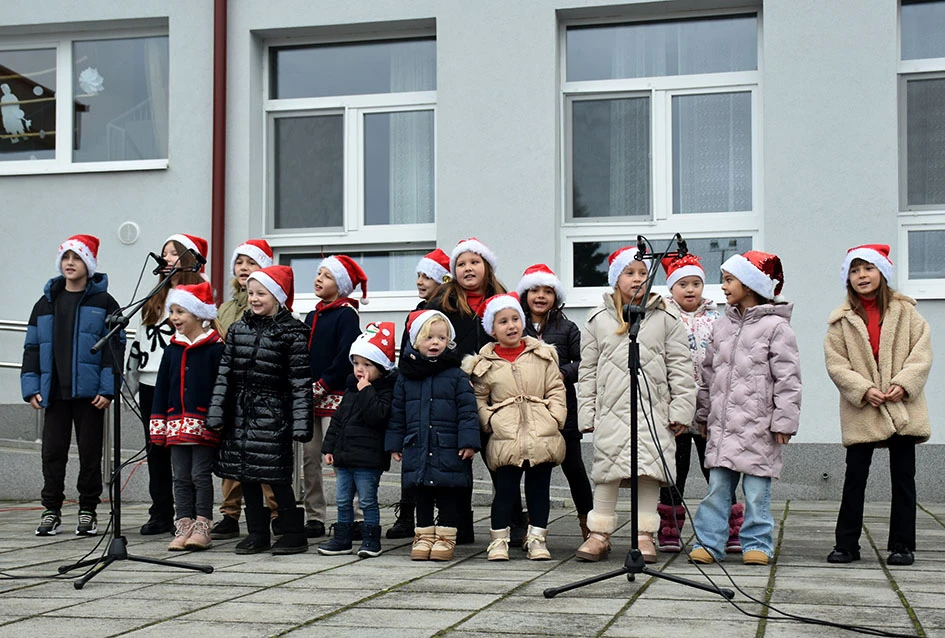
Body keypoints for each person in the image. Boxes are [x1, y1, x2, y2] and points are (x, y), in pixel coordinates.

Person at [575, 246, 696, 564]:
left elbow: (681, 368)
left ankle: (645, 535)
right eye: (629, 273)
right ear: (616, 279)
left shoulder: (665, 318)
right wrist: (587, 411)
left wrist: (681, 409)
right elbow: (587, 370)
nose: (637, 278)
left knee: (649, 472)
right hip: (611, 411)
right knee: (607, 471)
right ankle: (599, 533)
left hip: (653, 411)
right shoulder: (598, 319)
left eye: (643, 273)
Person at [688, 250, 801, 567]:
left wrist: (784, 422)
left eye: (728, 280)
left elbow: (788, 379)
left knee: (756, 491)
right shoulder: (721, 326)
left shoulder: (777, 328)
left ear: (750, 285)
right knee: (716, 488)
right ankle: (709, 542)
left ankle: (758, 543)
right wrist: (703, 415)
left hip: (759, 425)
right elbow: (709, 374)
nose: (722, 287)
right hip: (723, 427)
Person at [824, 244, 932, 567]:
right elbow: (836, 363)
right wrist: (862, 389)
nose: (862, 276)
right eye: (854, 271)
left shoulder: (907, 313)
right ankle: (846, 544)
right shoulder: (841, 321)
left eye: (868, 268)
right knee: (855, 476)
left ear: (882, 272)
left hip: (902, 408)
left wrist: (904, 383)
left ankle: (902, 544)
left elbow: (921, 353)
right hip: (864, 409)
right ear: (848, 279)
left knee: (903, 477)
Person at [208, 265, 313, 555]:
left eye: (261, 293)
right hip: (240, 413)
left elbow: (300, 382)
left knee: (277, 476)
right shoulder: (238, 330)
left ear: (277, 297)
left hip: (273, 413)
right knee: (247, 475)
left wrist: (301, 421)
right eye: (250, 293)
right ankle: (257, 533)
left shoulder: (291, 334)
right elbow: (224, 374)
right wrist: (217, 411)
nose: (254, 299)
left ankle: (293, 533)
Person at [24, 235, 121, 537]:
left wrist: (108, 389)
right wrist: (31, 386)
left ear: (89, 264)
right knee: (53, 452)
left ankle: (88, 510)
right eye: (66, 258)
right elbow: (32, 347)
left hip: (90, 395)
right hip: (54, 392)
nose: (70, 264)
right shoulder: (46, 302)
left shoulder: (104, 302)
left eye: (76, 258)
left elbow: (114, 347)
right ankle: (51, 510)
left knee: (91, 453)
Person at [465, 293, 567, 561]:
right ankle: (499, 539)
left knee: (538, 489)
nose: (511, 326)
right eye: (502, 321)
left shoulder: (542, 355)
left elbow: (556, 388)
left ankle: (536, 539)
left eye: (515, 319)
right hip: (505, 435)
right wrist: (489, 421)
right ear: (492, 328)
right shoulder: (484, 364)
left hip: (541, 432)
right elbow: (478, 398)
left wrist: (554, 418)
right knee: (505, 490)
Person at [426, 237, 511, 545]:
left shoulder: (503, 300)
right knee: (457, 461)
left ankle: (510, 523)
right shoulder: (441, 302)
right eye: (461, 264)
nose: (468, 268)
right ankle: (459, 526)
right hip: (454, 393)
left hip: (496, 393)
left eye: (474, 262)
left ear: (486, 267)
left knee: (501, 459)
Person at [656, 254, 740, 554]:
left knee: (715, 469)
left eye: (696, 283)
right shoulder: (663, 318)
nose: (690, 289)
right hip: (675, 409)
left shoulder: (718, 320)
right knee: (672, 470)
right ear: (671, 288)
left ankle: (730, 526)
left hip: (710, 409)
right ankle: (669, 527)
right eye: (682, 284)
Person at [127, 233, 208, 536]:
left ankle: (192, 515)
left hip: (184, 382)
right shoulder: (155, 298)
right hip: (151, 381)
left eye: (173, 254)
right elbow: (138, 342)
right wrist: (130, 380)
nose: (166, 259)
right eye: (163, 254)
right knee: (156, 449)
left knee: (188, 452)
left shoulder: (199, 294)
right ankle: (160, 510)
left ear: (187, 258)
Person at [386, 310, 480, 562]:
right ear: (416, 341)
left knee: (448, 492)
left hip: (448, 446)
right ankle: (424, 535)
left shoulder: (456, 375)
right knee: (422, 494)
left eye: (441, 337)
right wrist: (395, 443)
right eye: (429, 337)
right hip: (417, 444)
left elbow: (468, 411)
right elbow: (398, 412)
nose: (435, 342)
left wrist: (469, 442)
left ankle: (445, 537)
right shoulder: (406, 377)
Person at [516, 264, 593, 541]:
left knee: (574, 469)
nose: (540, 296)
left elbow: (584, 362)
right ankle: (534, 528)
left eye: (547, 291)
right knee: (537, 471)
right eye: (534, 290)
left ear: (556, 297)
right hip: (527, 412)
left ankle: (590, 524)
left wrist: (562, 372)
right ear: (524, 294)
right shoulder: (515, 325)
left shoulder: (568, 328)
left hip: (563, 411)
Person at [149, 282, 224, 551]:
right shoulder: (172, 350)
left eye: (181, 311)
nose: (174, 318)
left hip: (203, 424)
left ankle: (203, 526)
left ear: (198, 314)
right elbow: (161, 389)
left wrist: (219, 419)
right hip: (175, 424)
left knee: (200, 476)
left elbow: (222, 387)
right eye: (172, 311)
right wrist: (158, 423)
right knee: (179, 476)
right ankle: (184, 526)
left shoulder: (216, 348)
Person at [210, 238, 276, 541]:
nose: (244, 268)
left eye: (252, 263)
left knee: (264, 455)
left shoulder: (270, 305)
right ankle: (229, 514)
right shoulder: (224, 308)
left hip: (261, 390)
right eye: (240, 262)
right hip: (232, 389)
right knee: (231, 453)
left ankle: (275, 512)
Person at [317, 322, 398, 558]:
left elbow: (378, 416)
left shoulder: (383, 390)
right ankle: (342, 538)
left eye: (367, 364)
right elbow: (338, 421)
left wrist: (367, 391)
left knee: (367, 501)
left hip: (368, 459)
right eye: (356, 364)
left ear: (381, 367)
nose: (359, 369)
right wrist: (329, 447)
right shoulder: (352, 389)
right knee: (342, 499)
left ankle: (371, 539)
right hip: (345, 456)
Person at [388, 248, 453, 540]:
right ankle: (408, 514)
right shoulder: (416, 312)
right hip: (414, 382)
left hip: (440, 389)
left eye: (427, 275)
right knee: (413, 453)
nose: (420, 281)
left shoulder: (447, 310)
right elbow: (407, 351)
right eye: (418, 275)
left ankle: (442, 520)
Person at [302, 255, 366, 539]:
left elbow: (345, 356)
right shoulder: (311, 316)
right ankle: (314, 515)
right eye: (318, 273)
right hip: (308, 397)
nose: (318, 279)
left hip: (334, 395)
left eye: (327, 276)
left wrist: (323, 384)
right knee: (309, 458)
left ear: (340, 285)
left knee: (340, 458)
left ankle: (353, 516)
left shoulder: (347, 315)